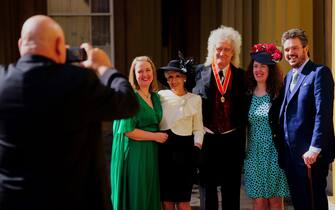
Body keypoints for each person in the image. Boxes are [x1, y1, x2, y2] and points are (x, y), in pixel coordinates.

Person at [0, 15, 139, 210]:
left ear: (21, 44)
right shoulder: (78, 82)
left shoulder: (2, 81)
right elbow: (127, 103)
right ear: (59, 45)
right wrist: (104, 68)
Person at [279, 28, 335, 210]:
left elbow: (323, 113)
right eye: (286, 50)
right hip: (291, 156)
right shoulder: (288, 77)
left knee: (314, 203)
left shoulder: (319, 73)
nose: (290, 53)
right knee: (299, 203)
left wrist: (315, 148)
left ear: (305, 48)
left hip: (311, 156)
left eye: (294, 48)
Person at [192, 25, 247, 210]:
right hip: (208, 140)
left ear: (233, 53)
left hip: (232, 140)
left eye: (227, 49)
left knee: (231, 190)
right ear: (211, 50)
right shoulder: (197, 73)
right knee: (207, 191)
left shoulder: (242, 76)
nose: (222, 53)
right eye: (218, 49)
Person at [110, 56, 168, 210]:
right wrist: (155, 136)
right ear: (134, 75)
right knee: (138, 193)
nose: (145, 74)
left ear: (153, 73)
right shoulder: (131, 97)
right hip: (136, 153)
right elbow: (128, 131)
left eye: (148, 70)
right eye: (140, 71)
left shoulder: (156, 97)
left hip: (152, 153)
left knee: (149, 192)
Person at [244, 43, 290, 210]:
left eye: (263, 66)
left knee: (275, 202)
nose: (259, 70)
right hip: (253, 155)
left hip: (274, 154)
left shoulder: (279, 94)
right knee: (259, 202)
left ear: (270, 69)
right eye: (256, 66)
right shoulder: (247, 94)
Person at [157, 56, 204, 210]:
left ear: (184, 78)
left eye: (177, 76)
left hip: (185, 153)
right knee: (167, 201)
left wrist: (197, 146)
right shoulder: (160, 96)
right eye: (170, 77)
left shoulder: (195, 99)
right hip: (164, 151)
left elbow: (198, 128)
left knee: (183, 201)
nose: (173, 80)